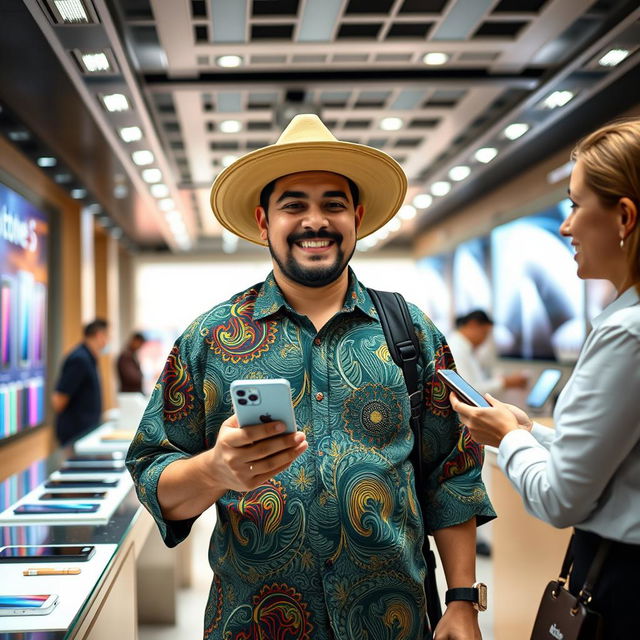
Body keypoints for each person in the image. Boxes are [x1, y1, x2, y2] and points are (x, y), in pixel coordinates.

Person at [126, 115, 495, 640]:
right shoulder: (211, 339)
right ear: (263, 222)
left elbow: (452, 475)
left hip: (393, 622)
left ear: (357, 217)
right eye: (294, 205)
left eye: (333, 204)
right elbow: (151, 473)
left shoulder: (412, 334)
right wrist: (214, 470)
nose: (315, 221)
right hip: (254, 624)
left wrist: (462, 601)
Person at [450, 119, 640, 640]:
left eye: (576, 206)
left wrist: (507, 438)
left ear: (624, 216)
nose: (566, 226)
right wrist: (529, 432)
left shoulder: (628, 334)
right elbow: (617, 458)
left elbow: (559, 500)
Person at [51, 318, 109, 446]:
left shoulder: (90, 358)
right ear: (99, 335)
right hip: (75, 434)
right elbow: (58, 400)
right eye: (107, 336)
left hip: (85, 432)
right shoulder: (79, 359)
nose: (108, 341)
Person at [448, 310, 528, 395]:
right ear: (473, 324)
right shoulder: (455, 349)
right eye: (484, 333)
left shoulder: (465, 349)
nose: (484, 339)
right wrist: (504, 383)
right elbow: (468, 391)